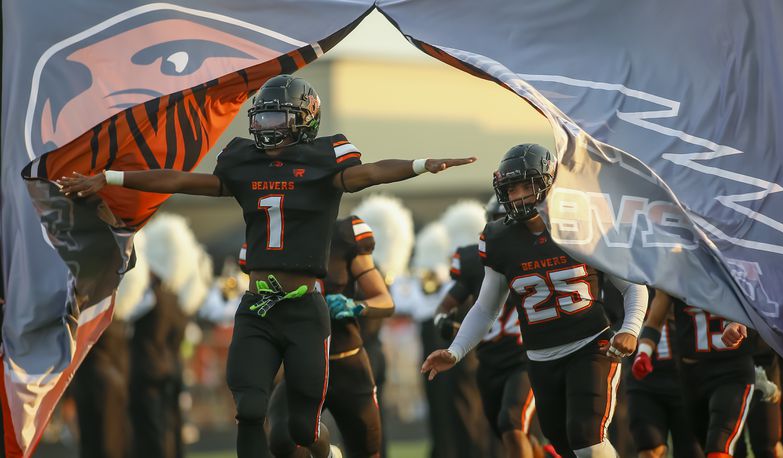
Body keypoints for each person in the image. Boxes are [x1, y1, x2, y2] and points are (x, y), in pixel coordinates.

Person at [58, 74, 474, 458]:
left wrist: (422, 165)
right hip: (258, 305)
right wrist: (110, 178)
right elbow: (182, 180)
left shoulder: (325, 161)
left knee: (303, 430)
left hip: (305, 309)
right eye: (260, 117)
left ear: (303, 120)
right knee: (251, 408)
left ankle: (328, 455)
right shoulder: (244, 162)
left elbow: (370, 173)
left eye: (276, 116)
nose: (264, 127)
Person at [421, 143, 649, 458]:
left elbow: (633, 286)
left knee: (588, 437)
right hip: (540, 359)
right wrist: (455, 351)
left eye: (524, 185)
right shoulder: (499, 238)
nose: (516, 196)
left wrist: (631, 328)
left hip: (591, 346)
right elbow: (486, 307)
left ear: (548, 181)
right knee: (563, 444)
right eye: (509, 189)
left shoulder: (583, 224)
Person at [267, 215, 393, 458]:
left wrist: (356, 306)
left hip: (347, 363)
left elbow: (384, 300)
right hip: (303, 365)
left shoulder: (346, 234)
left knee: (367, 450)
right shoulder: (276, 234)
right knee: (282, 440)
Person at [433, 196, 544, 458]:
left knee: (512, 424)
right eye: (499, 221)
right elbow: (446, 304)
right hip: (489, 362)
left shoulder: (540, 251)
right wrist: (444, 322)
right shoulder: (475, 260)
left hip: (525, 359)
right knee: (511, 433)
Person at [632, 289, 755, 458]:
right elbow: (654, 321)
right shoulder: (675, 273)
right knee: (706, 447)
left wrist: (737, 323)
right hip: (692, 376)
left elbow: (757, 304)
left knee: (718, 450)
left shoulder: (731, 267)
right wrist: (643, 353)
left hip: (731, 371)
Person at [626, 290, 703, 458]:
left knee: (692, 452)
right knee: (649, 450)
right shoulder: (627, 279)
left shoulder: (677, 277)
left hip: (686, 380)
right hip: (644, 383)